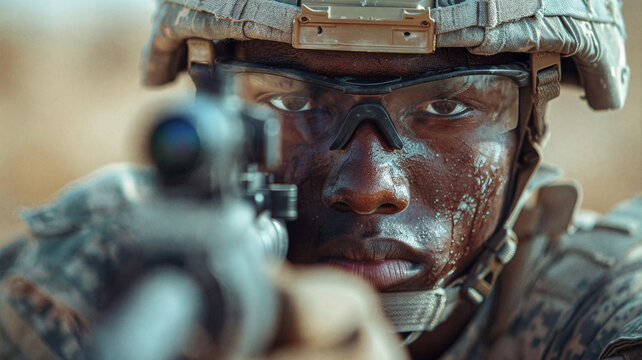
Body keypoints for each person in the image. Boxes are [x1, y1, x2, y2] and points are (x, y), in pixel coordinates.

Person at [0, 0, 640, 359]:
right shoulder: (103, 281)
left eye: (447, 107)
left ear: (530, 132)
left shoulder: (606, 318)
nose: (368, 185)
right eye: (290, 104)